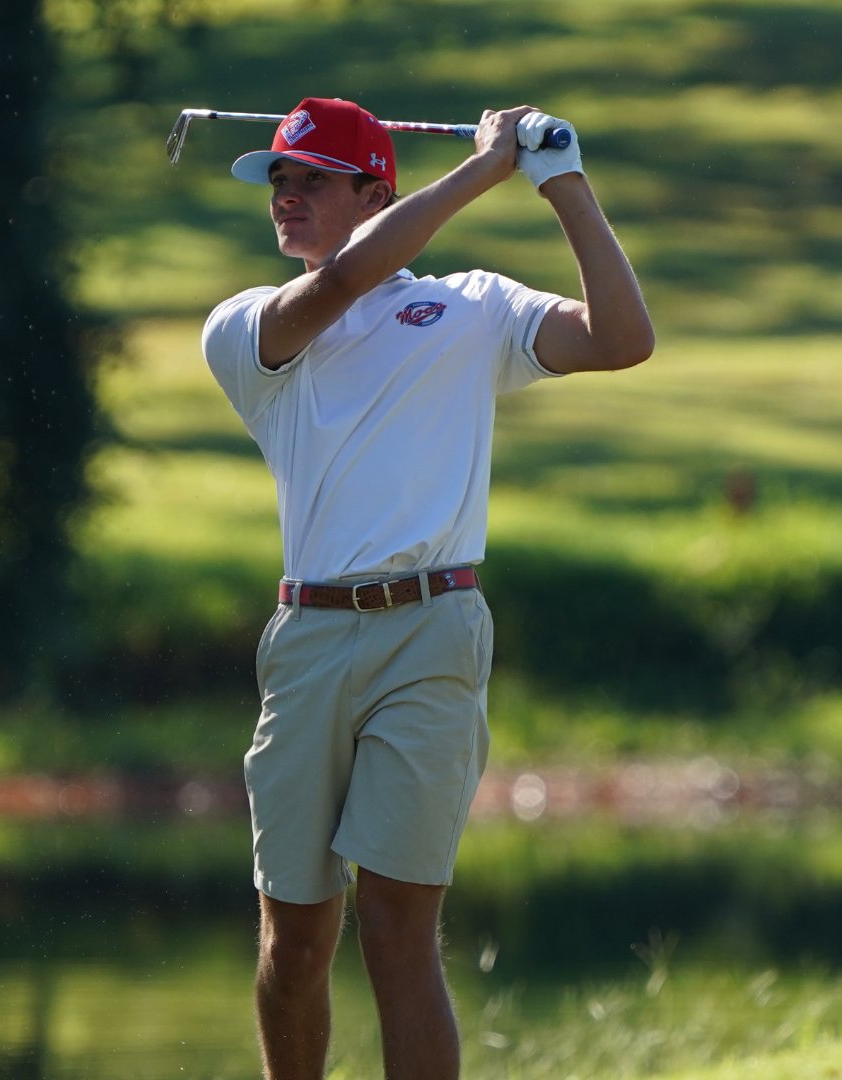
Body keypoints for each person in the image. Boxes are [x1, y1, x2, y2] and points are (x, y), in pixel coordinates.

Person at [201, 96, 654, 1080]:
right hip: (311, 636)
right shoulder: (246, 327)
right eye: (277, 180)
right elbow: (348, 280)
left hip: (434, 630)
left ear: (373, 189)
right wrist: (486, 169)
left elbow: (624, 338)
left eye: (308, 179)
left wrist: (561, 177)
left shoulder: (471, 309)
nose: (284, 197)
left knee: (401, 934)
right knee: (296, 946)